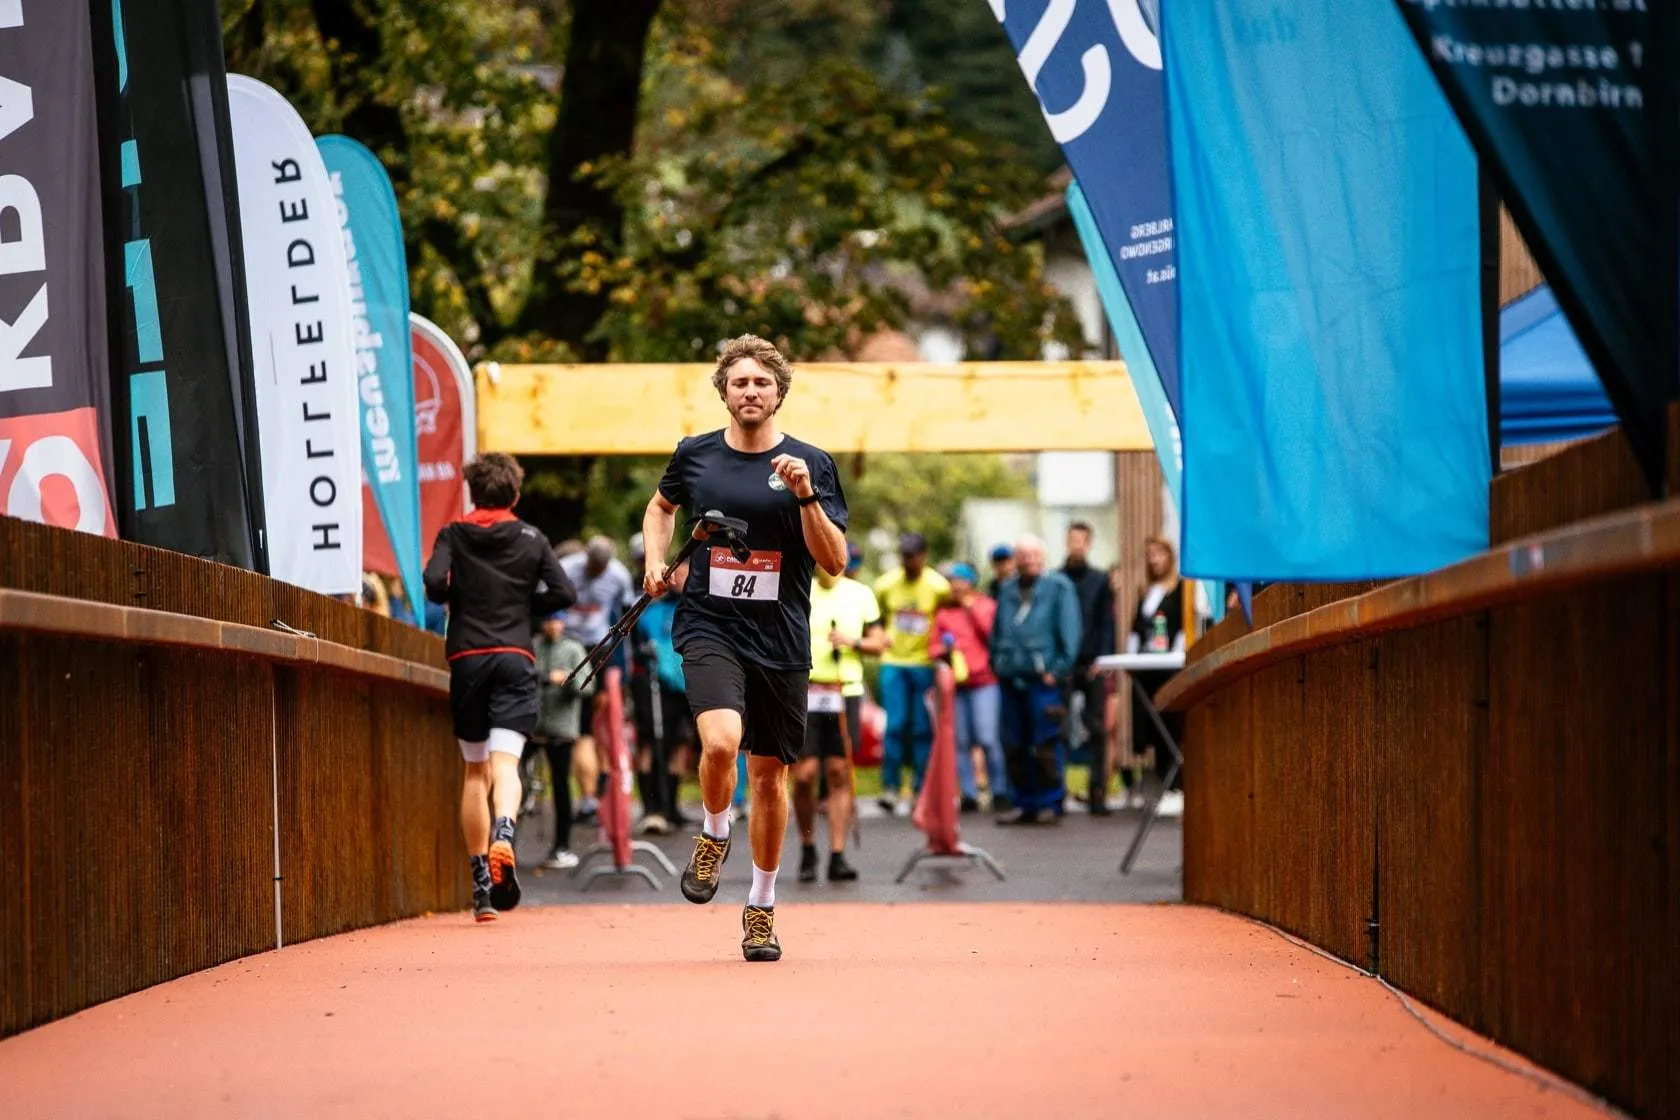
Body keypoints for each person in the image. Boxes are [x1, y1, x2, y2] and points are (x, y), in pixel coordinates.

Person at [641, 334, 848, 963]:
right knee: (721, 743)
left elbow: (834, 562)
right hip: (710, 625)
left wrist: (806, 493)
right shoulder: (695, 455)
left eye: (761, 382)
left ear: (779, 392)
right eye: (739, 383)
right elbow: (659, 507)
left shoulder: (812, 462)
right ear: (724, 392)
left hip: (781, 637)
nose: (750, 391)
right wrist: (656, 562)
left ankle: (760, 907)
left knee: (767, 778)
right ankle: (711, 830)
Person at [423, 453, 575, 922]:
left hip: (468, 659)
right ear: (514, 493)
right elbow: (565, 593)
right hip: (514, 657)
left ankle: (481, 888)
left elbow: (432, 581)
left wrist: (459, 596)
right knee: (505, 763)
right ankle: (504, 833)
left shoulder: (453, 533)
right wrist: (524, 603)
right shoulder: (531, 538)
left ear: (473, 492)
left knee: (475, 771)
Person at [797, 551, 885, 883]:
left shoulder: (860, 594)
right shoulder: (801, 587)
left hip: (843, 690)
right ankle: (807, 848)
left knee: (837, 771)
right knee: (804, 774)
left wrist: (853, 641)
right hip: (806, 688)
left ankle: (837, 853)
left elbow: (879, 643)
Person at [989, 534, 1081, 825]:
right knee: (1014, 742)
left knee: (1045, 741)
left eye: (1034, 554)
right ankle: (1023, 801)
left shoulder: (1059, 587)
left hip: (1044, 679)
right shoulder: (1005, 589)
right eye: (1023, 555)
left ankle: (1050, 802)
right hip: (1011, 677)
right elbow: (997, 631)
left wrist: (1058, 669)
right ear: (1015, 559)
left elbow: (1070, 631)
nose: (1029, 559)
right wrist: (998, 663)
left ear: (1042, 556)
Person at [872, 533, 950, 813]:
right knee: (894, 726)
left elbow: (946, 620)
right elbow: (876, 617)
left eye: (913, 556)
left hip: (923, 663)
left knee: (921, 728)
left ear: (923, 556)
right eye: (904, 556)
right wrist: (881, 637)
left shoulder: (938, 587)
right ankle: (890, 787)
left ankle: (920, 789)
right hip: (893, 661)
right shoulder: (886, 585)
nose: (908, 562)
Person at [560, 536, 634, 823]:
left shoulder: (618, 575)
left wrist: (618, 672)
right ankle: (589, 793)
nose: (595, 574)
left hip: (599, 646)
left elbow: (625, 620)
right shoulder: (567, 568)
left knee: (599, 718)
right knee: (580, 728)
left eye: (600, 569)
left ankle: (601, 779)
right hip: (569, 645)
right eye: (592, 567)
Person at [632, 558, 696, 833]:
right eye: (676, 572)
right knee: (649, 741)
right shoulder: (650, 606)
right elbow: (635, 640)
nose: (679, 578)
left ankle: (672, 805)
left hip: (687, 683)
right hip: (654, 683)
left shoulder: (695, 606)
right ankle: (650, 806)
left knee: (682, 742)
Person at [933, 562, 1003, 813]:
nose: (955, 585)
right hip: (958, 685)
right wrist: (945, 650)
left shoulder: (986, 605)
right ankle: (969, 794)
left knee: (987, 737)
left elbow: (992, 636)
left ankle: (1000, 790)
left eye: (960, 580)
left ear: (971, 582)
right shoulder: (944, 614)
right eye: (952, 581)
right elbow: (933, 648)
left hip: (984, 681)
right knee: (961, 741)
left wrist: (971, 609)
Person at [1128, 537, 1188, 818]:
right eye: (1149, 554)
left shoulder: (1180, 590)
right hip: (1147, 665)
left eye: (1159, 554)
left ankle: (1178, 786)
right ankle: (1162, 783)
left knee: (1171, 725)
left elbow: (1182, 627)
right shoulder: (1146, 591)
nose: (1154, 560)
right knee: (1152, 727)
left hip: (1169, 666)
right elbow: (1136, 628)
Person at [1061, 521, 1117, 814]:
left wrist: (1103, 659)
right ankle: (1056, 792)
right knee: (1058, 725)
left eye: (1082, 540)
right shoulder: (1056, 580)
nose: (1077, 545)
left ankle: (1098, 791)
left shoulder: (1099, 580)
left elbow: (1107, 622)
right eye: (1073, 540)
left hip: (1093, 662)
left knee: (1097, 727)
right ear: (1067, 542)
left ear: (1089, 543)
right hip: (1066, 664)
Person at [531, 612, 593, 870]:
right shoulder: (533, 645)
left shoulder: (573, 648)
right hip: (533, 726)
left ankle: (562, 845)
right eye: (547, 619)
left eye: (555, 619)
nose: (551, 624)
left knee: (561, 787)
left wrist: (567, 680)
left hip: (562, 728)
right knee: (517, 778)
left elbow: (587, 686)